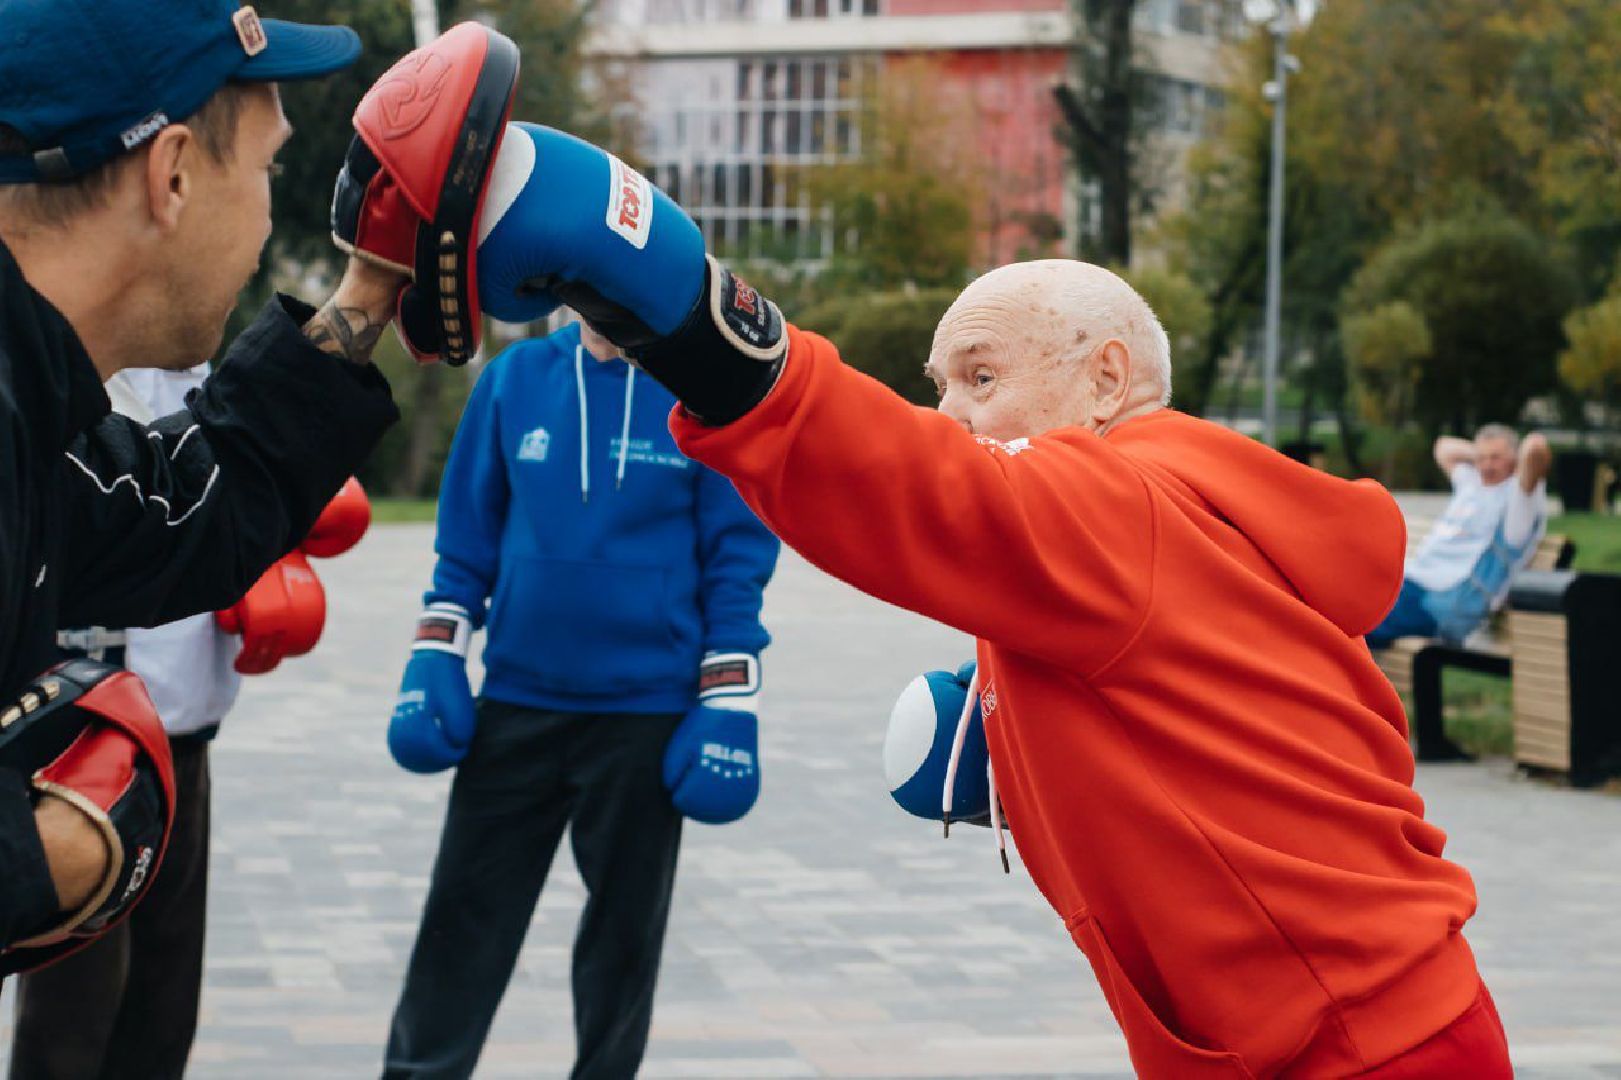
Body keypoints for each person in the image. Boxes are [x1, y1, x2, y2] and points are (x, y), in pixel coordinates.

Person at [454, 122, 1513, 1077]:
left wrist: (691, 323)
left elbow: (910, 485)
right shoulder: (1170, 509)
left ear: (1105, 381)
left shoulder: (1118, 499)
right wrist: (1032, 736)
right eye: (938, 384)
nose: (950, 413)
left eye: (980, 376)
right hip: (1348, 1023)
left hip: (1356, 1048)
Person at [0, 0, 410, 961]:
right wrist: (42, 856)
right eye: (266, 170)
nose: (270, 220)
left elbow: (179, 508)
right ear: (171, 173)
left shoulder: (29, 399)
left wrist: (371, 290)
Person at [380, 318, 779, 1079]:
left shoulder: (702, 390)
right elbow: (465, 538)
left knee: (623, 938)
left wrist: (731, 695)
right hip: (517, 702)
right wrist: (435, 652)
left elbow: (736, 552)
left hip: (647, 713)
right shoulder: (514, 377)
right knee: (461, 921)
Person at [8, 365, 243, 1080]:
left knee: (164, 1004)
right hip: (83, 741)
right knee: (71, 1014)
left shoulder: (219, 380)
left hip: (186, 740)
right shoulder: (81, 366)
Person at [1367, 425, 1552, 649]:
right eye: (1482, 458)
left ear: (1514, 460)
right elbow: (1443, 447)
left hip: (1443, 603)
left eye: (1496, 458)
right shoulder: (1472, 482)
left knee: (1358, 618)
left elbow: (1535, 447)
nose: (1487, 466)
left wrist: (1513, 462)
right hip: (1412, 583)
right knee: (1342, 595)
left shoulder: (1519, 503)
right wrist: (1480, 454)